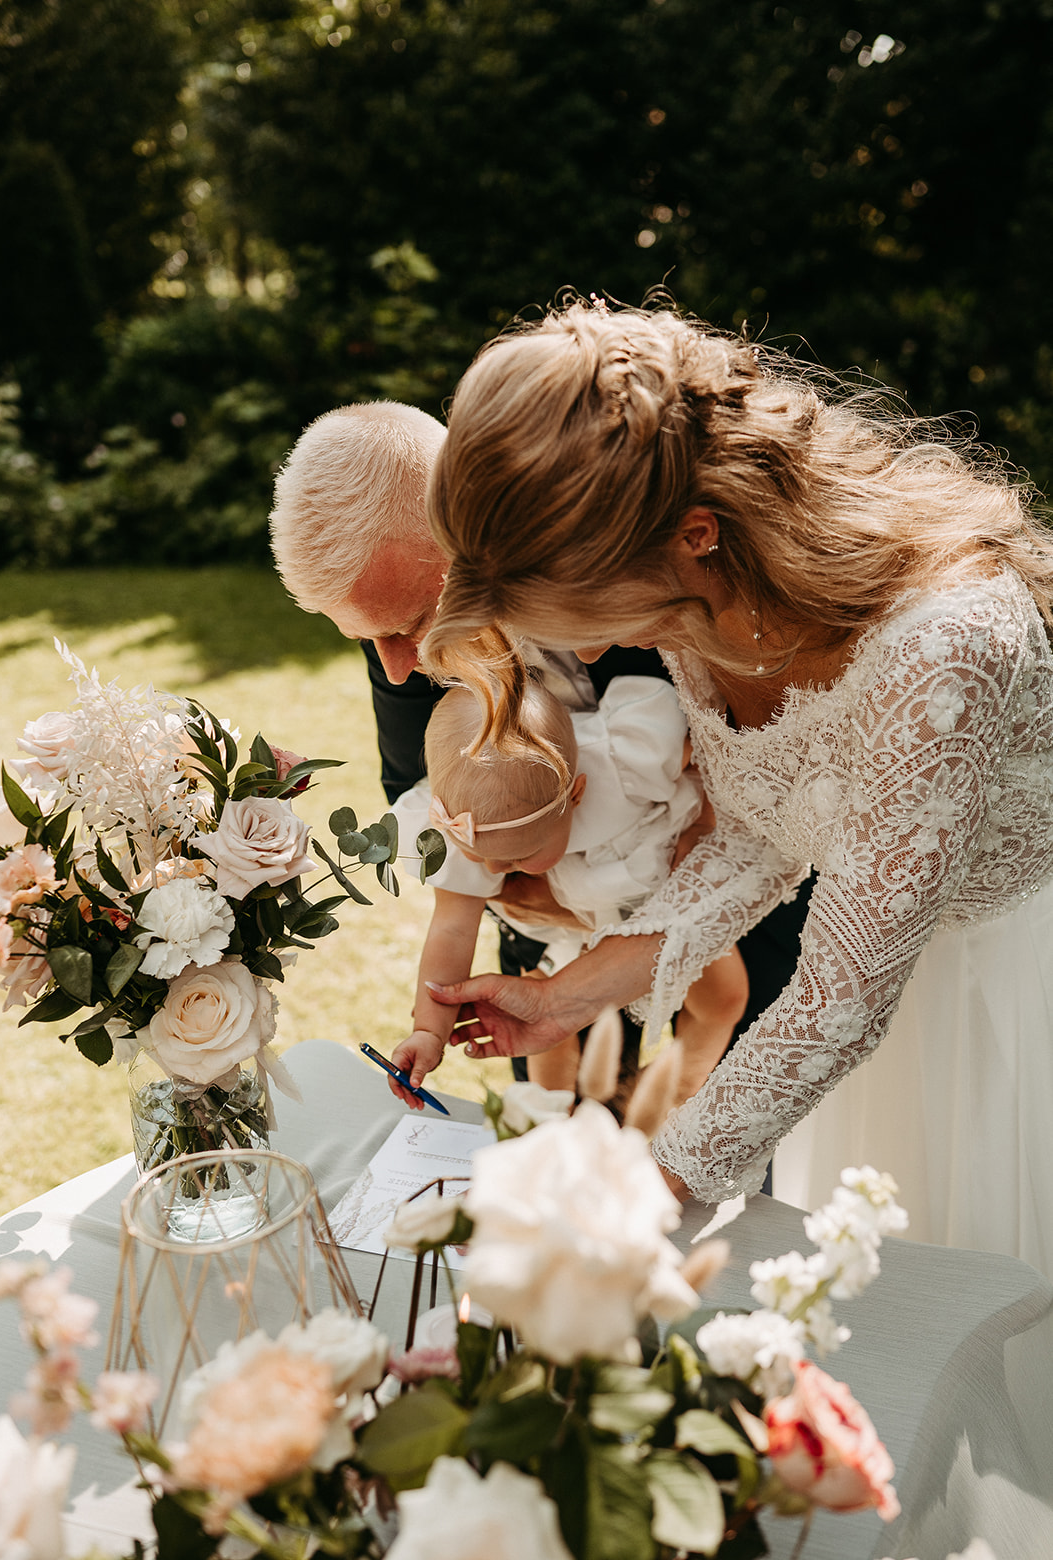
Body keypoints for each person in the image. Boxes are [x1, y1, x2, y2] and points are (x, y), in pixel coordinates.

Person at [416, 301, 1053, 1278]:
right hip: (855, 1020)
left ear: (695, 534)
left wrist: (638, 1191)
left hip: (1001, 1006)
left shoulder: (944, 647)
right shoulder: (701, 606)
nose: (596, 653)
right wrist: (563, 997)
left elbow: (839, 997)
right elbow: (763, 832)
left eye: (591, 618)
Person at [269, 400, 807, 1089]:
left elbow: (759, 753)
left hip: (740, 898)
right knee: (555, 1118)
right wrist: (549, 885)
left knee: (738, 1086)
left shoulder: (622, 548)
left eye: (409, 625)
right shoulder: (393, 608)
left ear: (468, 534)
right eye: (367, 639)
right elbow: (422, 792)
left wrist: (685, 851)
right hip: (542, 924)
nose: (397, 667)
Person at [389, 677, 747, 1100]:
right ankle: (555, 1118)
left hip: (668, 898)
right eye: (479, 853)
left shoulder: (625, 758)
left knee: (724, 999)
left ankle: (672, 1106)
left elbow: (711, 755)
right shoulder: (461, 820)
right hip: (575, 921)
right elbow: (451, 928)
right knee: (540, 1026)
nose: (495, 870)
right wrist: (429, 1031)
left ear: (576, 794)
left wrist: (703, 823)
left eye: (520, 856)